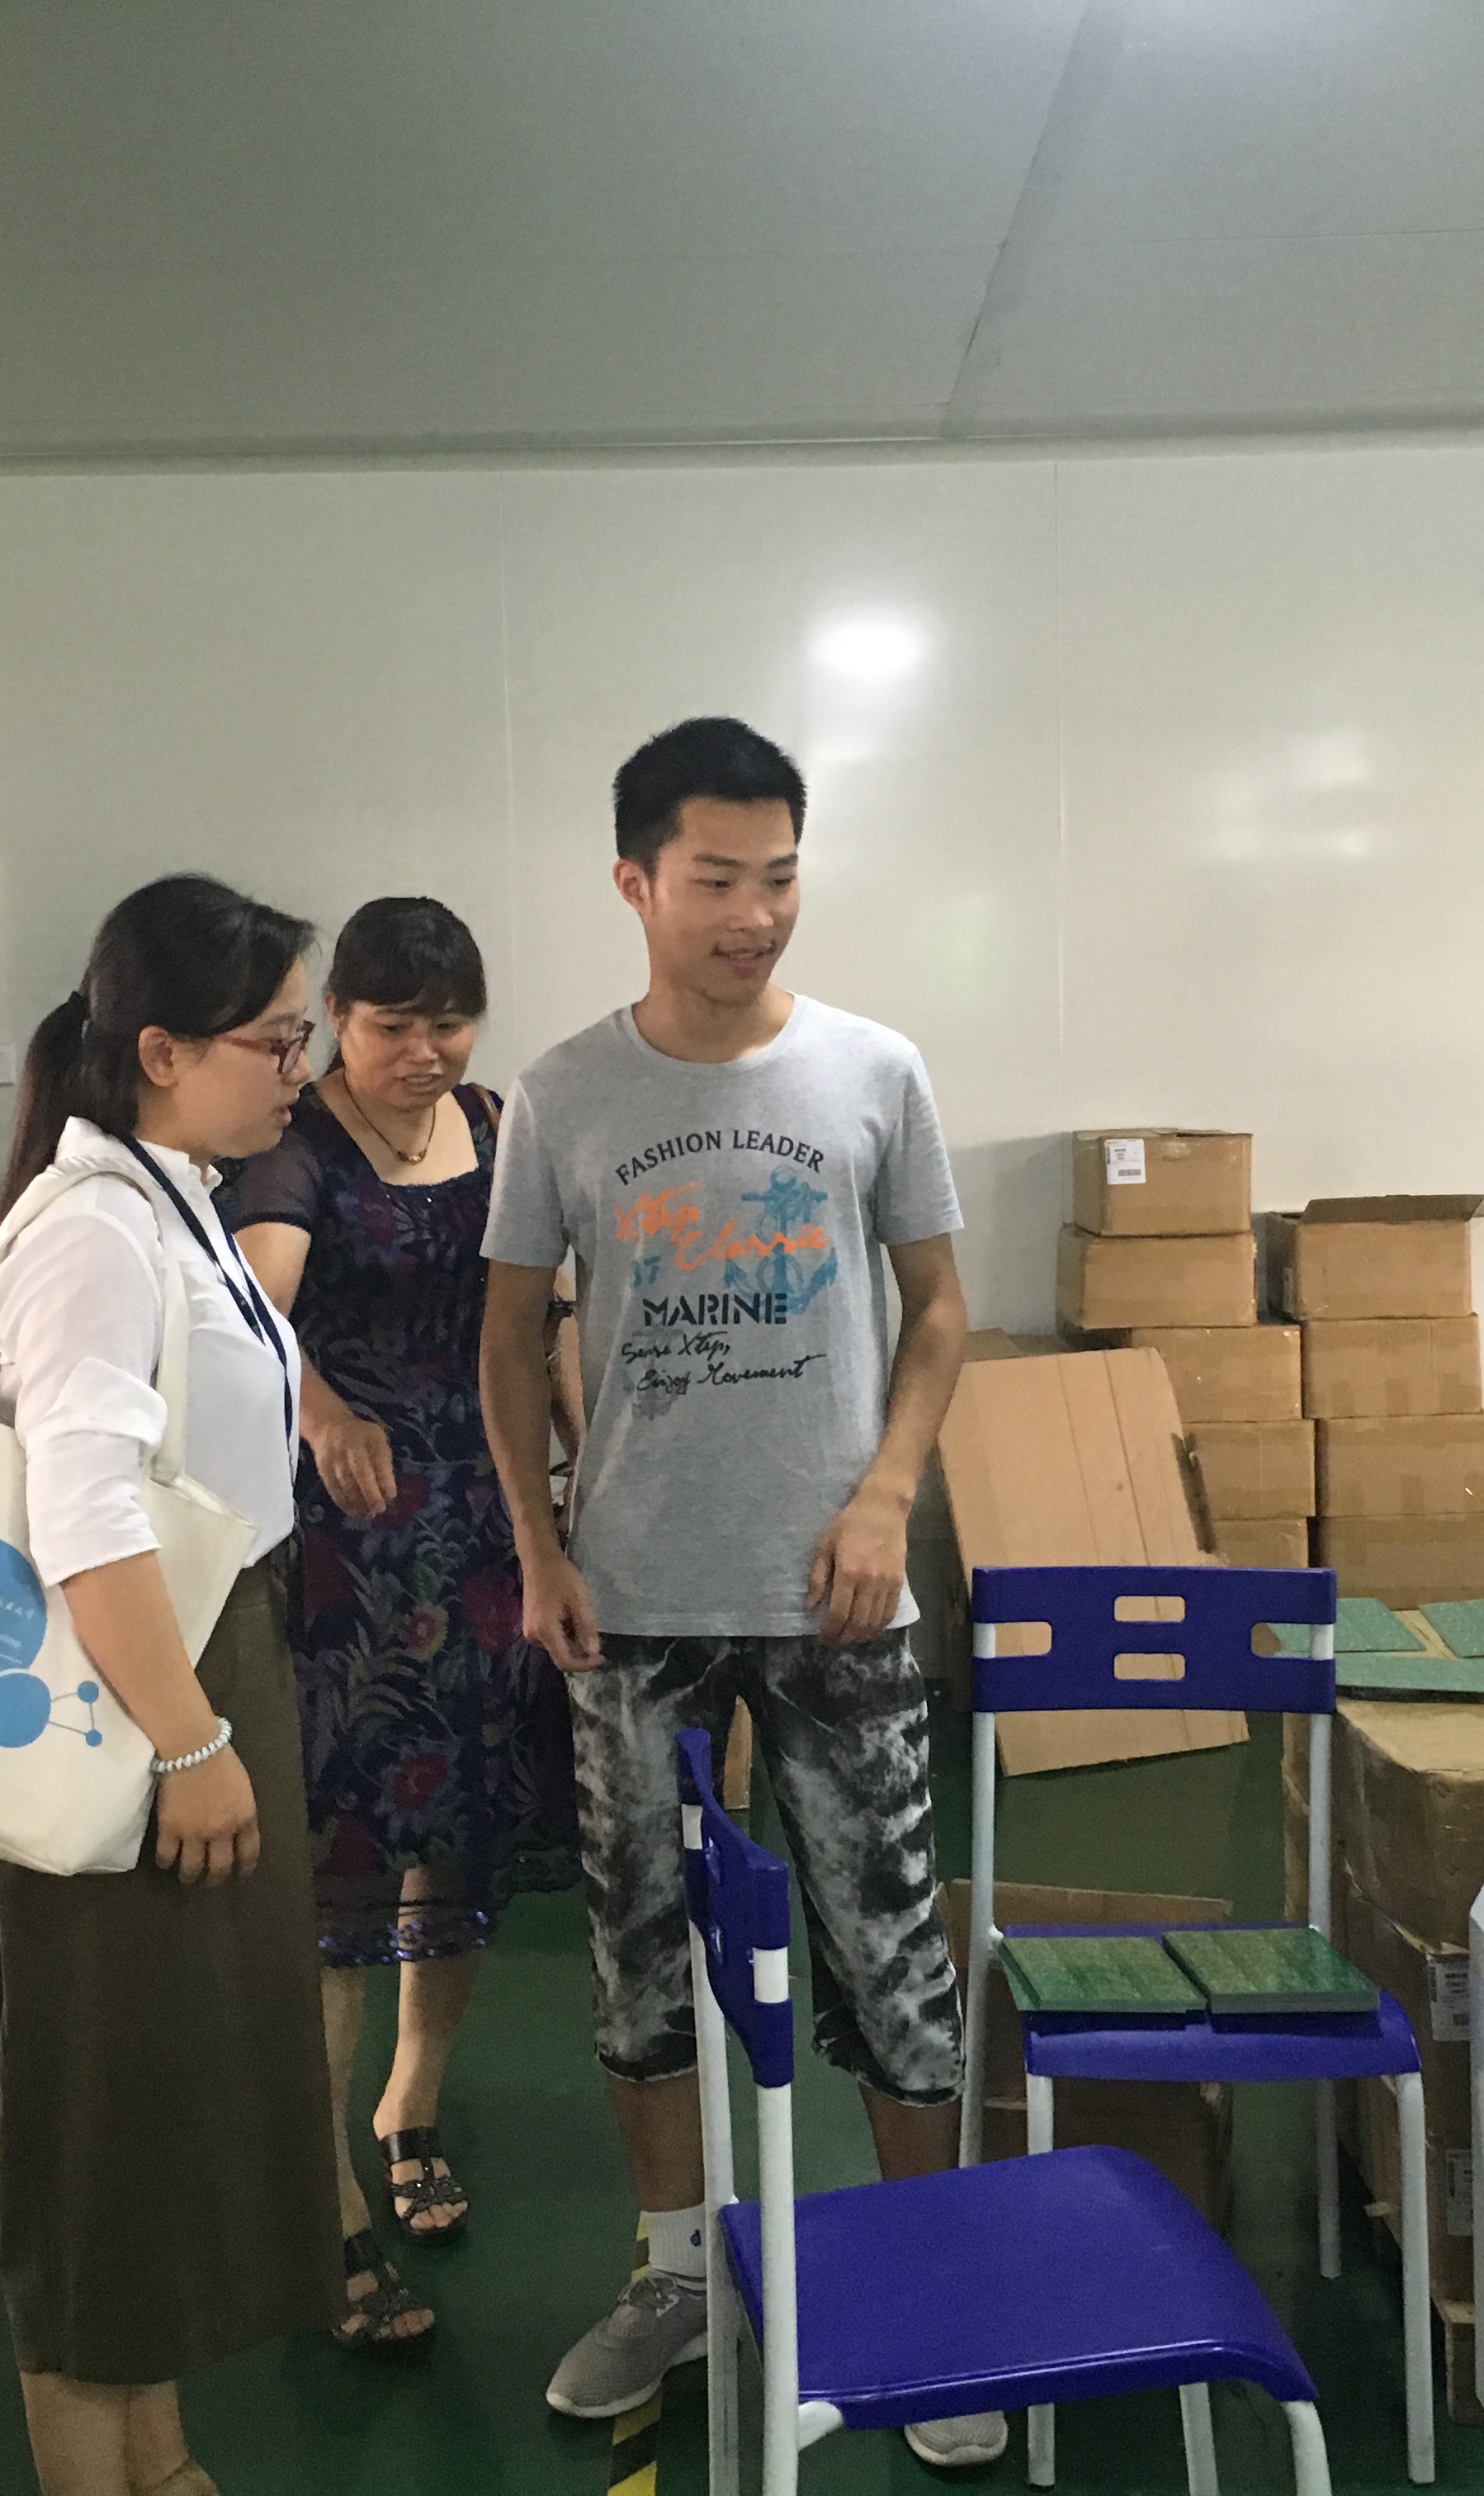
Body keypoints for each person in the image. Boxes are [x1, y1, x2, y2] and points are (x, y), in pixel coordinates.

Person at [479, 717, 996, 2470]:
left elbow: (940, 1307)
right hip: (632, 1598)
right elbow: (506, 1338)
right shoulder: (563, 1093)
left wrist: (888, 1494)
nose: (754, 914)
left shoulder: (873, 1072)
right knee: (637, 1955)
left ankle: (925, 2287)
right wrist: (542, 1546)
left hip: (838, 1591)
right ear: (635, 882)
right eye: (716, 879)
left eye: (779, 877)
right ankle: (679, 2271)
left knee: (889, 1945)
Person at [0, 873, 363, 2496]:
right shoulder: (92, 1230)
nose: (299, 1070)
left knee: (158, 2111)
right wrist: (192, 1743)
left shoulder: (174, 1195)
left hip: (191, 1659)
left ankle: (162, 2462)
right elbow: (84, 1514)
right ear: (159, 1050)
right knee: (99, 2135)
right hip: (135, 1696)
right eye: (276, 1038)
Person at [223, 897, 580, 2311]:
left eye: (450, 1022)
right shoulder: (295, 1147)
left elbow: (538, 1314)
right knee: (347, 1862)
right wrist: (318, 1406)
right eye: (392, 1025)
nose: (425, 1051)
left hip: (487, 1531)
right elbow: (251, 1307)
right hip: (353, 1553)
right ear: (338, 1021)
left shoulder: (495, 1125)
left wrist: (587, 1456)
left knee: (462, 1846)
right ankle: (320, 2186)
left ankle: (410, 2108)